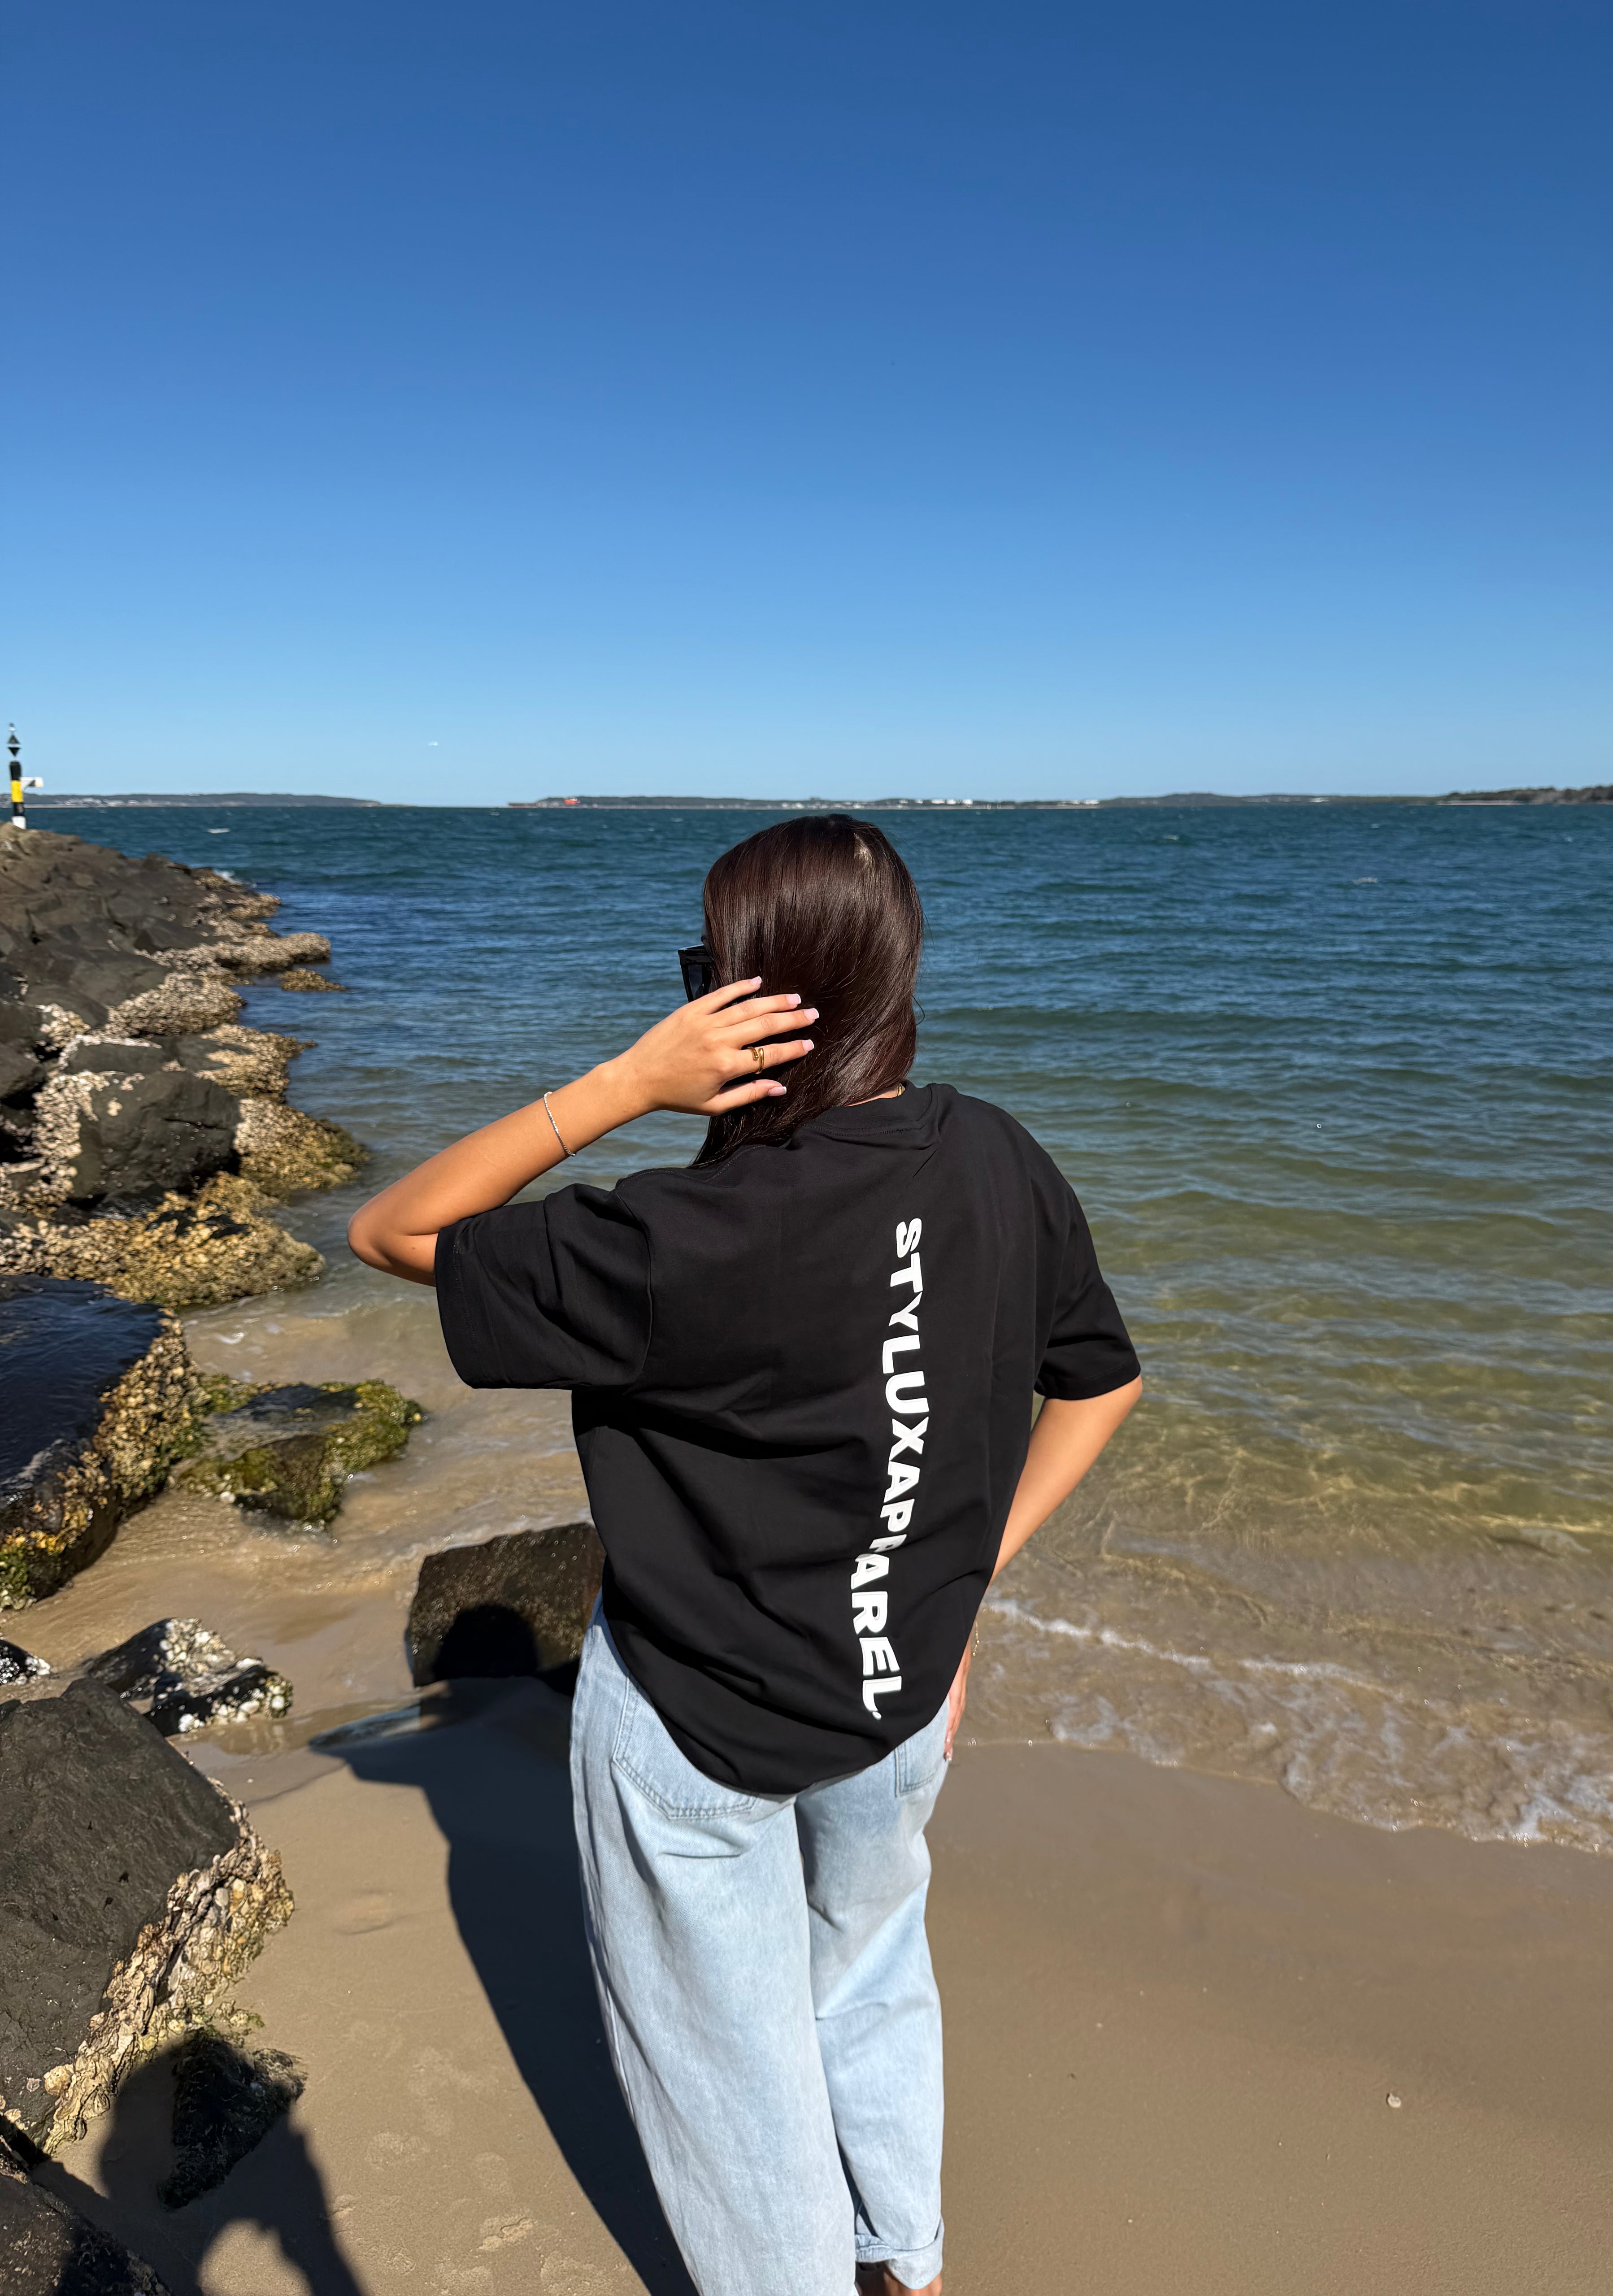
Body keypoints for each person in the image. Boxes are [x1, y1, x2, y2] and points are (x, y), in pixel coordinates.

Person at [348, 814, 1141, 2296]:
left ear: (735, 1000)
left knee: (731, 2080)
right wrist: (961, 1593)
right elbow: (1099, 1383)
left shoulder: (676, 1235)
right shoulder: (993, 1156)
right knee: (869, 1971)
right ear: (900, 980)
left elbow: (395, 1230)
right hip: (904, 1689)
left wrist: (625, 1086)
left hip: (696, 1726)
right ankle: (903, 2260)